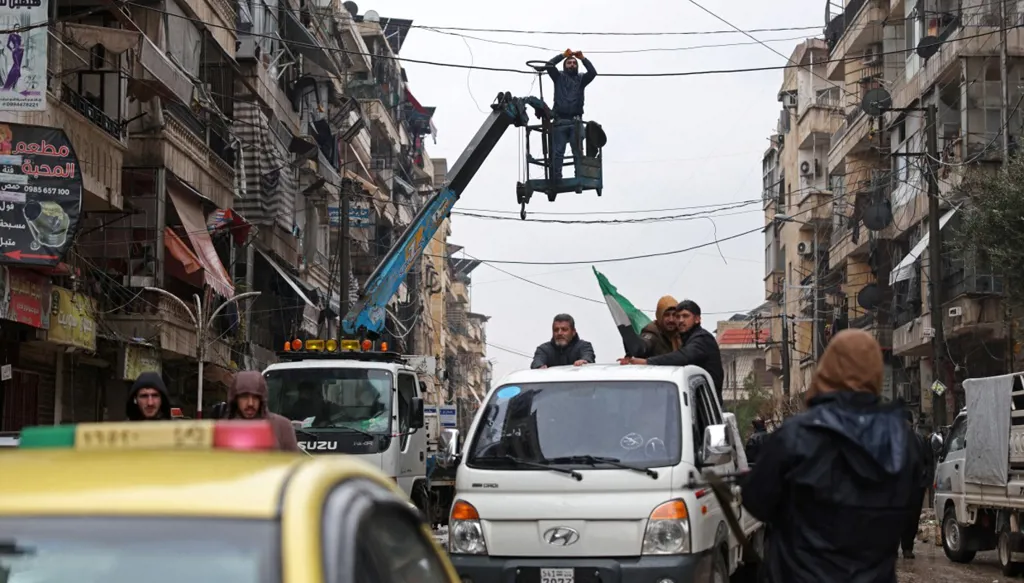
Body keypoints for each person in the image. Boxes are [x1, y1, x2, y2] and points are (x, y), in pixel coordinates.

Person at [739, 329, 923, 583]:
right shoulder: (901, 440)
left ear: (826, 370)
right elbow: (910, 508)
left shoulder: (794, 436)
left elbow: (756, 502)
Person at [620, 300, 725, 402]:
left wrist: (647, 362)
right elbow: (643, 346)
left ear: (697, 319)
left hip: (706, 406)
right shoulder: (655, 332)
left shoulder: (701, 338)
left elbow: (684, 356)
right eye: (678, 316)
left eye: (685, 316)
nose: (680, 320)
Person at [545, 49, 597, 182]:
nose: (572, 64)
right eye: (569, 63)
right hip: (560, 121)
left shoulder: (581, 79)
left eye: (574, 63)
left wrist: (583, 58)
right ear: (564, 65)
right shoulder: (558, 77)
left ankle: (579, 175)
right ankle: (556, 178)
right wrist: (563, 55)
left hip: (576, 122)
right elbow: (549, 65)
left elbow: (592, 73)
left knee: (578, 151)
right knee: (558, 152)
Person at [227, 371, 301, 452]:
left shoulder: (282, 427)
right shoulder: (223, 429)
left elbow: (293, 462)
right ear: (235, 399)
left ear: (262, 399)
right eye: (244, 397)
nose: (250, 403)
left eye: (255, 397)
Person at [900, 409, 933, 559]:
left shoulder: (920, 440)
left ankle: (907, 547)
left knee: (911, 518)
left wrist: (925, 482)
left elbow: (928, 462)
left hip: (914, 487)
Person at [531, 313, 596, 369]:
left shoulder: (584, 346)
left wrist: (584, 361)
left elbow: (588, 357)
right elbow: (537, 362)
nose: (559, 333)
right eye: (556, 330)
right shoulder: (544, 350)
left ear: (573, 332)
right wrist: (539, 366)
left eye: (564, 329)